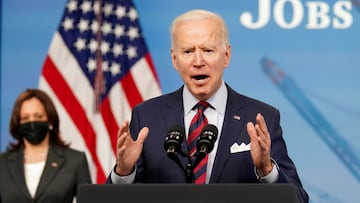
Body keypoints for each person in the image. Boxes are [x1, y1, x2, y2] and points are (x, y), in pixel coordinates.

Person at [106, 9, 309, 203]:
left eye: (208, 50)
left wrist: (267, 169)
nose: (198, 61)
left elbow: (298, 199)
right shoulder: (147, 117)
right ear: (174, 60)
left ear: (226, 56)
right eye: (187, 51)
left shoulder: (261, 117)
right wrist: (124, 172)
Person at [0, 88, 92, 203]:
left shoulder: (75, 161)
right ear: (18, 123)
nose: (32, 122)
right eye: (25, 118)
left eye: (38, 116)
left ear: (50, 121)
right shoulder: (2, 163)